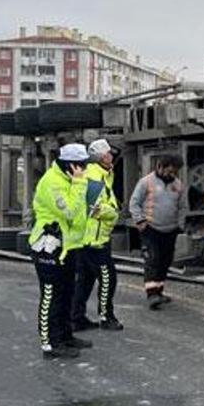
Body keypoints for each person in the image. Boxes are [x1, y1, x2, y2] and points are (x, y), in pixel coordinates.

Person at [30, 143, 93, 359]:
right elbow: (69, 212)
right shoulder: (53, 182)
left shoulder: (69, 179)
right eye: (81, 166)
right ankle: (50, 343)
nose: (84, 170)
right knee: (51, 295)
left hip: (69, 247)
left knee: (67, 293)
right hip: (49, 247)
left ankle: (65, 335)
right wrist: (79, 184)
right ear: (70, 165)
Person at [72, 138, 123, 331]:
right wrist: (113, 213)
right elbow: (92, 208)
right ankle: (106, 317)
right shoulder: (94, 177)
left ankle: (76, 317)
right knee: (108, 277)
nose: (112, 156)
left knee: (85, 280)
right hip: (94, 240)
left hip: (90, 238)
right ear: (102, 157)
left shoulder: (103, 174)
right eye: (110, 153)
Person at [129, 154, 186, 310]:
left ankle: (159, 291)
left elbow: (182, 207)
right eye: (169, 171)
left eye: (174, 172)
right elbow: (134, 203)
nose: (171, 175)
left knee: (165, 261)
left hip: (170, 230)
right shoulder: (146, 182)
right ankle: (152, 294)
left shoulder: (178, 185)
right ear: (160, 167)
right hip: (151, 229)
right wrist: (140, 221)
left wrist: (180, 225)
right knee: (152, 260)